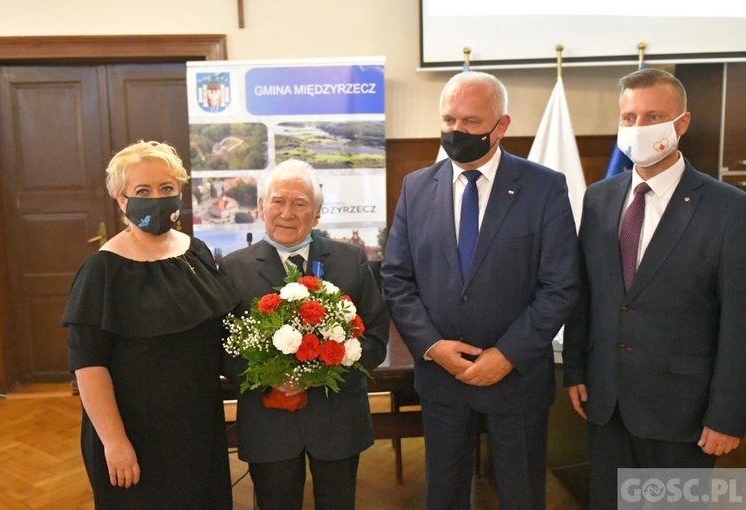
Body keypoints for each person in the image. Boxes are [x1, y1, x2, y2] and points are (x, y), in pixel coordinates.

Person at [381, 71, 580, 509]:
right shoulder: (416, 187)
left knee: (521, 496)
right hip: (442, 379)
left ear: (501, 125)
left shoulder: (544, 187)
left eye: (471, 121)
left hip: (517, 380)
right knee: (444, 495)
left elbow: (560, 284)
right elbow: (397, 278)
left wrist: (506, 355)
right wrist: (433, 346)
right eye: (449, 119)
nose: (457, 131)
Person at [563, 68, 746, 509]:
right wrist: (574, 370)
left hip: (683, 411)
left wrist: (728, 416)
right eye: (628, 118)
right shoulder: (600, 197)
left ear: (681, 123)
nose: (638, 128)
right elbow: (586, 293)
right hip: (606, 403)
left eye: (652, 116)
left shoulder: (729, 209)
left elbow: (739, 322)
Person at [62, 141, 240, 509]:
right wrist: (114, 442)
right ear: (121, 199)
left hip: (198, 428)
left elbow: (222, 335)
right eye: (143, 191)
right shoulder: (103, 270)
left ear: (179, 193)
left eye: (166, 189)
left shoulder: (197, 252)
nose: (156, 199)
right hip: (134, 436)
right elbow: (89, 365)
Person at [221, 159, 389, 510]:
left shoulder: (351, 260)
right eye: (278, 201)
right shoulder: (232, 268)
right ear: (262, 207)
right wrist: (271, 378)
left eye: (300, 204)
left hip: (338, 421)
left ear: (316, 214)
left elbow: (375, 337)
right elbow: (221, 348)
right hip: (269, 425)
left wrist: (321, 373)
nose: (287, 212)